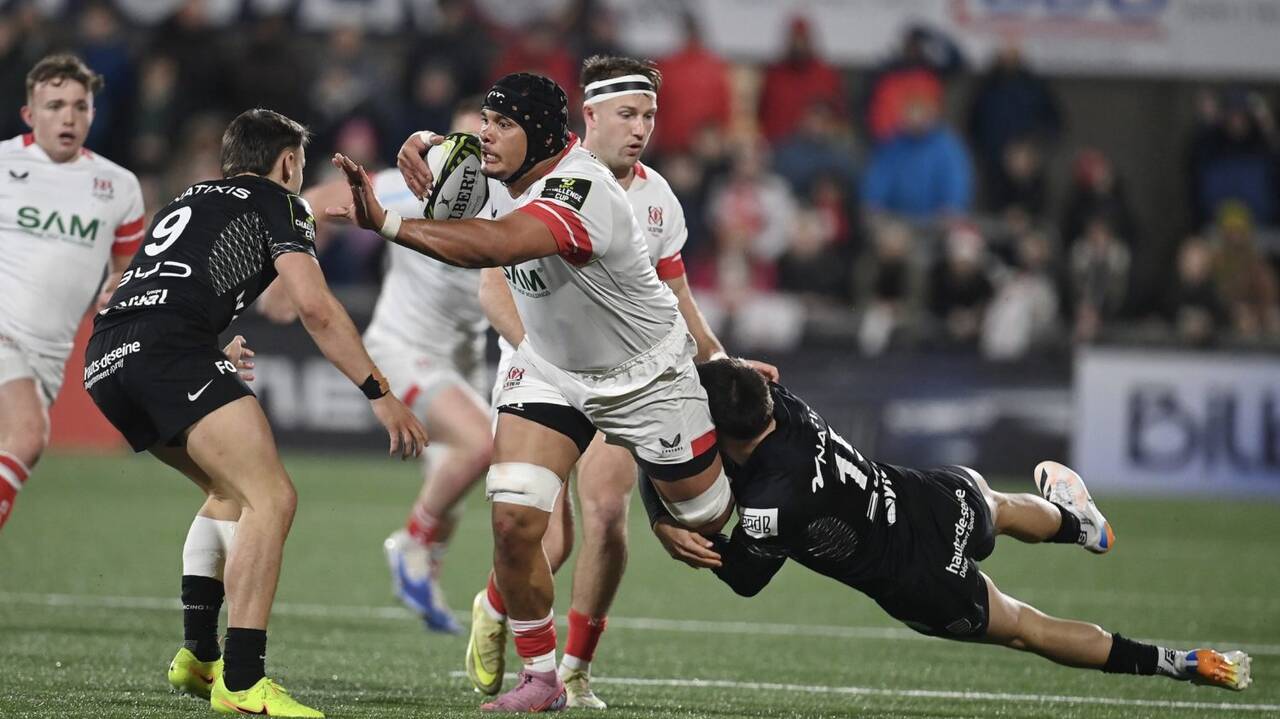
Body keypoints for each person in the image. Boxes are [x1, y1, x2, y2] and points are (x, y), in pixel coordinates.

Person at [331, 72, 737, 713]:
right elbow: (454, 157)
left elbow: (494, 245)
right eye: (485, 123)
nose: (486, 136)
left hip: (643, 378)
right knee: (517, 521)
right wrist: (423, 142)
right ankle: (543, 678)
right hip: (548, 366)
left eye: (503, 124)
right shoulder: (499, 162)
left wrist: (385, 223)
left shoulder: (581, 188)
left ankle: (689, 502)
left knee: (707, 525)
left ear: (543, 135)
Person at [86, 108, 427, 718]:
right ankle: (243, 682)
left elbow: (161, 286)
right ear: (288, 162)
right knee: (273, 499)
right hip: (169, 354)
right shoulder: (279, 202)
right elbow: (315, 308)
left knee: (230, 489)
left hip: (107, 360)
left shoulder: (190, 197)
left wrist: (206, 351)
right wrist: (381, 394)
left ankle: (199, 656)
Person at [643, 358, 1252, 694]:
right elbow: (742, 377)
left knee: (1026, 628)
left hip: (917, 579)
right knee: (996, 503)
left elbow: (746, 579)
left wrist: (667, 525)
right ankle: (1079, 524)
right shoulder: (783, 402)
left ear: (721, 432)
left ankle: (1181, 662)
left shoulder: (771, 505)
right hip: (925, 501)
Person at [466, 56, 779, 709]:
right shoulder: (525, 174)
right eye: (628, 114)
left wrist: (722, 363)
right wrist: (548, 359)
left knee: (608, 513)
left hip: (626, 375)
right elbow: (492, 285)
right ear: (590, 115)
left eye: (650, 116)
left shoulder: (658, 198)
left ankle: (574, 670)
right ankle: (497, 605)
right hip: (542, 367)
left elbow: (676, 297)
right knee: (545, 536)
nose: (641, 128)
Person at [280, 98, 491, 634]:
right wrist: (287, 271)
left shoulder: (511, 200)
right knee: (481, 444)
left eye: (482, 141)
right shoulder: (409, 187)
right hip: (403, 347)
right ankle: (411, 544)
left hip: (466, 359)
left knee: (455, 478)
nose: (469, 157)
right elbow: (311, 203)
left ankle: (423, 568)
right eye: (460, 141)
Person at [0, 54, 145, 534]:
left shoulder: (119, 187)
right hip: (4, 331)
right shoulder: (3, 163)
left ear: (93, 113)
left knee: (20, 445)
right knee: (27, 434)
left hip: (49, 351)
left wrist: (117, 288)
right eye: (55, 106)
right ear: (29, 114)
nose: (68, 117)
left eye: (79, 106)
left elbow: (126, 272)